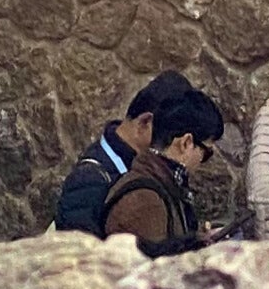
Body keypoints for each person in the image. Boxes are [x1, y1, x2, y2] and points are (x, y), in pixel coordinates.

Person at [52, 72, 196, 235]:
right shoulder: (90, 179)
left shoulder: (149, 169)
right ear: (145, 122)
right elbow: (78, 254)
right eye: (171, 132)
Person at [100, 87, 224, 257]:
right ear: (186, 142)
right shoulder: (145, 200)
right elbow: (152, 275)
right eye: (206, 153)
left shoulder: (166, 185)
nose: (203, 162)